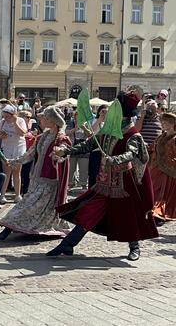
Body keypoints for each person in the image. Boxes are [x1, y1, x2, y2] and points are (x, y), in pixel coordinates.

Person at [49, 91, 158, 261]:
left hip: (124, 184)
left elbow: (131, 154)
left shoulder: (132, 134)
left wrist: (115, 159)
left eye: (116, 107)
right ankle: (68, 244)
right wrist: (68, 151)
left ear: (123, 113)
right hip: (104, 182)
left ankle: (134, 247)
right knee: (89, 212)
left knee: (128, 215)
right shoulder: (108, 130)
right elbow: (89, 144)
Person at [0, 106, 72, 240]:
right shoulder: (42, 137)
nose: (42, 120)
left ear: (53, 121)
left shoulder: (61, 138)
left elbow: (65, 152)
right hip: (37, 178)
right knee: (28, 203)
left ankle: (12, 227)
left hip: (50, 180)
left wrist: (59, 153)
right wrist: (15, 161)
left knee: (36, 206)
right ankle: (11, 225)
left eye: (46, 118)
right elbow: (31, 154)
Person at [0, 105, 27, 203]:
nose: (5, 118)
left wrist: (15, 122)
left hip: (18, 148)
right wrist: (2, 136)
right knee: (6, 172)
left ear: (13, 114)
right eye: (4, 116)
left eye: (8, 116)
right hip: (7, 148)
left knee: (17, 172)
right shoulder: (2, 122)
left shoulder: (20, 120)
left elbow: (22, 133)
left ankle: (17, 195)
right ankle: (2, 195)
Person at [150, 112, 176, 224]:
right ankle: (152, 211)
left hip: (169, 171)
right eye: (163, 121)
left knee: (163, 195)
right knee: (154, 191)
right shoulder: (161, 136)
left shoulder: (174, 138)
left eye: (166, 122)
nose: (163, 124)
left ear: (173, 124)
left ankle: (158, 214)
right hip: (156, 168)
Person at [66, 112, 89, 189]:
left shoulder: (86, 123)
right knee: (71, 167)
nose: (78, 118)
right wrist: (74, 129)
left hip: (84, 147)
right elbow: (66, 132)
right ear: (74, 116)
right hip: (73, 146)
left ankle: (83, 184)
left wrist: (84, 128)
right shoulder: (71, 122)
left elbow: (90, 134)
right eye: (77, 116)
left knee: (83, 167)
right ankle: (71, 183)